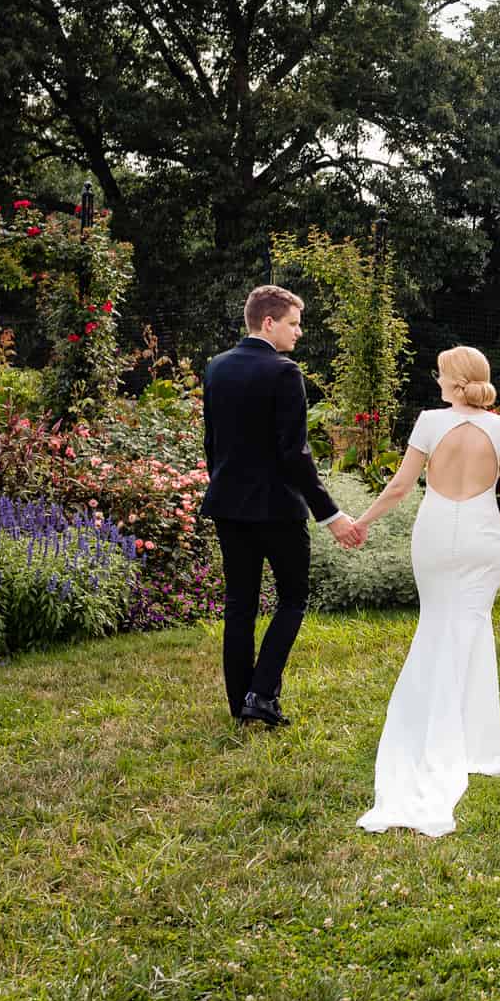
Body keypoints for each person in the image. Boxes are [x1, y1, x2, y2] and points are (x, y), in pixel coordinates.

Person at [354, 346, 500, 837]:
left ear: (453, 380)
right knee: (472, 631)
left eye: (440, 373)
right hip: (480, 538)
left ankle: (442, 733)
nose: (436, 379)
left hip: (433, 534)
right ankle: (472, 741)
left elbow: (399, 487)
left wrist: (363, 521)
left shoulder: (430, 421)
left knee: (437, 626)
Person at [200, 284, 363, 727]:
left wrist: (229, 486)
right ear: (268, 322)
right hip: (277, 511)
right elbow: (295, 455)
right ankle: (261, 694)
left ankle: (241, 704)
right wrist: (331, 514)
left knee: (240, 605)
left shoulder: (216, 368)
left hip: (229, 507)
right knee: (292, 600)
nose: (299, 332)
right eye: (293, 323)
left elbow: (211, 445)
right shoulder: (284, 372)